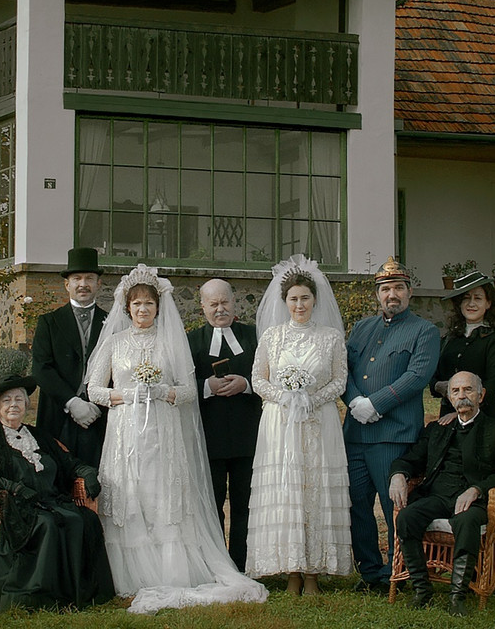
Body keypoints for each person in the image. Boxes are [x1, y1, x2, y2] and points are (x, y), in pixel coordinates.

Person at [85, 264, 268, 614]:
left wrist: (162, 391)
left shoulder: (171, 341)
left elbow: (186, 391)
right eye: (136, 304)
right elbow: (94, 390)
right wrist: (125, 395)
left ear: (158, 306)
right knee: (131, 496)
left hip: (163, 432)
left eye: (149, 303)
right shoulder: (114, 343)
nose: (142, 309)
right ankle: (129, 573)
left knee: (162, 498)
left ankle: (171, 568)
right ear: (127, 308)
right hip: (125, 433)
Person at [0, 374, 115, 612]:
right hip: (16, 505)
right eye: (6, 401)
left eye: (18, 400)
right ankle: (37, 598)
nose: (13, 405)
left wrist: (88, 474)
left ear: (26, 404)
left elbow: (68, 463)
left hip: (51, 501)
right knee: (47, 525)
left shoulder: (39, 435)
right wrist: (15, 488)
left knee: (81, 520)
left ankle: (75, 595)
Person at [246, 255, 352, 595]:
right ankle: (291, 571)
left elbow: (339, 380)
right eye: (293, 298)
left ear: (315, 300)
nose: (300, 304)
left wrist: (311, 399)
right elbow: (258, 379)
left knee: (315, 489)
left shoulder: (331, 338)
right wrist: (285, 396)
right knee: (286, 489)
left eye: (305, 298)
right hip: (280, 423)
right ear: (285, 301)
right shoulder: (272, 337)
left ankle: (313, 573)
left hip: (319, 421)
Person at [343, 257, 441, 594]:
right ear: (378, 295)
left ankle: (397, 571)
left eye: (398, 288)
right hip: (356, 433)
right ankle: (370, 572)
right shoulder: (362, 328)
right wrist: (355, 402)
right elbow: (343, 370)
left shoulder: (425, 331)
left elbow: (417, 376)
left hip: (394, 435)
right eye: (385, 289)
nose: (392, 295)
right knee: (356, 505)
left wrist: (376, 404)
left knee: (393, 507)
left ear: (410, 292)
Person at [389, 370, 495, 615]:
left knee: (466, 522)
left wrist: (476, 489)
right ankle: (421, 590)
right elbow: (411, 459)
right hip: (438, 496)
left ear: (481, 395)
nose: (462, 396)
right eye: (456, 391)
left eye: (468, 390)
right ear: (449, 398)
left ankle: (457, 597)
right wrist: (398, 474)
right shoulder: (437, 429)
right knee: (407, 517)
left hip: (474, 503)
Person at [187, 278, 261, 572]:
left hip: (248, 434)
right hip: (209, 436)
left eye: (225, 302)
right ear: (202, 306)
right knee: (212, 504)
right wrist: (207, 386)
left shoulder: (254, 336)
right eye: (213, 304)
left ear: (234, 301)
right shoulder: (192, 341)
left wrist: (246, 384)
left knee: (246, 503)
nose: (220, 309)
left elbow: (270, 375)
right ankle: (218, 565)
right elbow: (181, 384)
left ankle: (243, 564)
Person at [30, 247, 109, 466]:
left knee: (98, 477)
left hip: (99, 418)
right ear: (67, 284)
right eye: (77, 278)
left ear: (98, 283)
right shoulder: (49, 322)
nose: (83, 284)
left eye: (89, 278)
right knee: (58, 475)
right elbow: (41, 369)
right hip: (58, 416)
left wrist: (97, 406)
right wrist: (72, 402)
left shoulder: (112, 322)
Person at [431, 270, 495, 422]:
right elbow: (433, 378)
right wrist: (440, 386)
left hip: (483, 419)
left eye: (478, 298)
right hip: (447, 418)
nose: (471, 303)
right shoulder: (449, 339)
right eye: (466, 298)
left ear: (488, 303)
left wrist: (463, 411)